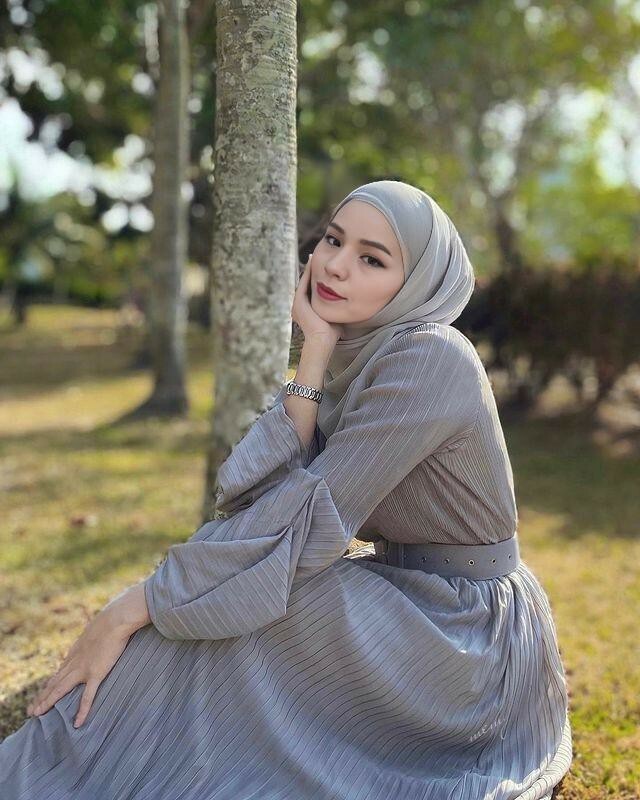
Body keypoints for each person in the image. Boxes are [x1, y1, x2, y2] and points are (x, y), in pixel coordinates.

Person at [0, 180, 572, 799]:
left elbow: (301, 526)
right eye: (333, 240)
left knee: (228, 610)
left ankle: (87, 766)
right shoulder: (357, 350)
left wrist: (136, 604)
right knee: (218, 607)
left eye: (372, 259)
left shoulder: (431, 360)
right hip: (403, 592)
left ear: (415, 283)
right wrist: (315, 351)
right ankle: (79, 758)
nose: (335, 265)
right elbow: (263, 500)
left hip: (465, 630)